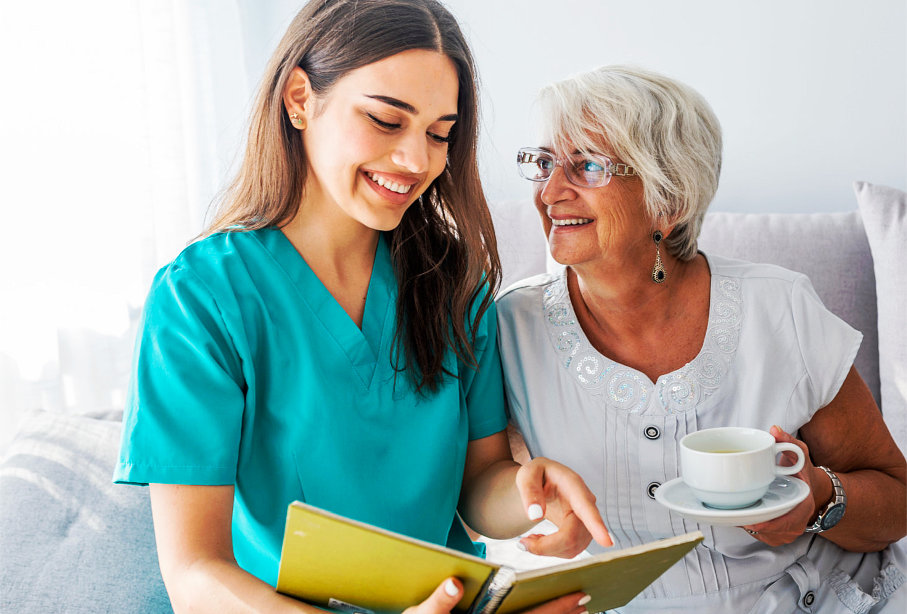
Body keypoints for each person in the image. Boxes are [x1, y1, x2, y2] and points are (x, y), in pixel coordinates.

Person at [114, 2, 612, 612]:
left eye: (439, 134)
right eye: (384, 121)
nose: (417, 161)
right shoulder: (199, 299)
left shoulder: (456, 280)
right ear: (300, 98)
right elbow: (195, 571)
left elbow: (477, 486)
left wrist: (530, 493)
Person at [497, 65, 907, 612]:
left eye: (587, 166)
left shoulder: (777, 308)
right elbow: (488, 489)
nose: (549, 192)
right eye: (544, 163)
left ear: (670, 201)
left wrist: (818, 499)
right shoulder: (508, 328)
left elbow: (897, 497)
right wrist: (537, 509)